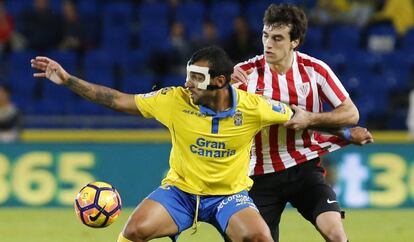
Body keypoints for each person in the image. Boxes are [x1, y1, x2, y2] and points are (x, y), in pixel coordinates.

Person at [31, 46, 296, 242]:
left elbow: (298, 117)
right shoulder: (173, 100)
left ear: (219, 81)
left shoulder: (254, 108)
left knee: (260, 238)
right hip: (181, 193)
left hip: (229, 196)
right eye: (187, 75)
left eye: (196, 77)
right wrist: (68, 80)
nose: (187, 83)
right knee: (134, 231)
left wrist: (334, 125)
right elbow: (117, 100)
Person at [231, 4, 373, 242]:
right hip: (260, 173)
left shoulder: (315, 70)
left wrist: (310, 118)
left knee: (336, 233)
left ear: (294, 41)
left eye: (277, 38)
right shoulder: (245, 74)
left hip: (304, 166)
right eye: (265, 36)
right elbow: (225, 115)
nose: (268, 44)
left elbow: (350, 113)